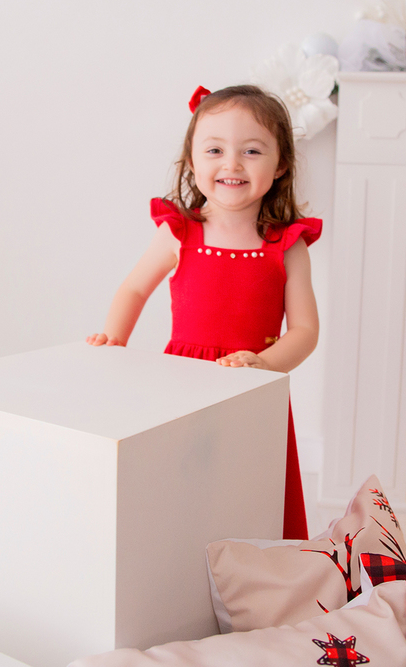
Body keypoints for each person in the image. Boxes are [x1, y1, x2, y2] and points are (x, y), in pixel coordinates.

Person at [86, 84, 321, 539]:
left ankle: (257, 583)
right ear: (193, 162)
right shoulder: (180, 233)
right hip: (182, 384)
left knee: (252, 493)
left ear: (282, 164)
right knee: (180, 492)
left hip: (251, 388)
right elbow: (135, 289)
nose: (231, 164)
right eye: (215, 149)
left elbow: (306, 331)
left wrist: (262, 364)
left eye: (251, 150)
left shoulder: (287, 246)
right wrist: (115, 338)